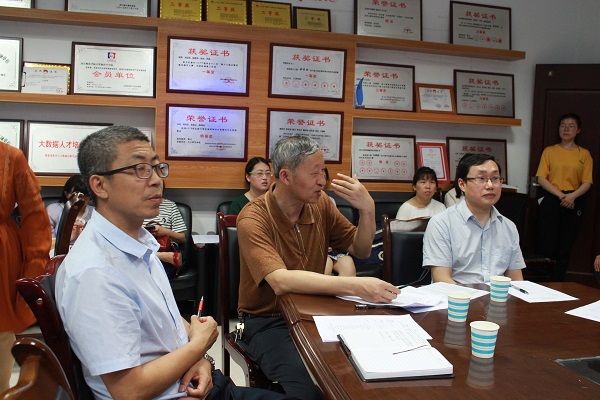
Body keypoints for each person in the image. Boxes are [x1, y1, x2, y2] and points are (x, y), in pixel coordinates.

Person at [55, 126, 285, 400]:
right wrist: (200, 344)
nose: (156, 180)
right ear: (100, 185)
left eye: (157, 168)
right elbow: (128, 390)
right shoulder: (95, 272)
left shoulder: (139, 244)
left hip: (194, 382)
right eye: (140, 169)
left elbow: (168, 323)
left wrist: (201, 360)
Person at [237, 135, 399, 399]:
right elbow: (280, 281)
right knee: (312, 390)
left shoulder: (320, 204)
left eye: (323, 171)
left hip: (317, 312)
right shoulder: (253, 217)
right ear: (285, 176)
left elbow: (360, 249)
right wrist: (355, 285)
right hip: (268, 320)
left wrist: (368, 210)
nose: (323, 181)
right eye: (314, 174)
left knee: (365, 371)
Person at [423, 153, 526, 284]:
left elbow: (517, 281)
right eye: (481, 178)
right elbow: (442, 279)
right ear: (462, 184)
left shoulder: (509, 227)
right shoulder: (441, 223)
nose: (490, 185)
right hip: (456, 296)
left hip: (497, 296)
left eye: (495, 178)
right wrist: (475, 297)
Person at [0, 142, 52, 393]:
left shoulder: (10, 157)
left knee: (1, 336)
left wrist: (32, 271)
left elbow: (35, 217)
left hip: (2, 260)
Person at [535, 113, 593, 281]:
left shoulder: (584, 154)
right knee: (546, 243)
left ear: (578, 130)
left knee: (566, 245)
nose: (566, 129)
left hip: (575, 200)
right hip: (553, 198)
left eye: (571, 126)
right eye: (563, 126)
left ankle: (559, 282)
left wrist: (571, 197)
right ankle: (543, 282)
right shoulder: (550, 151)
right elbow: (541, 178)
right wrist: (562, 196)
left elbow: (587, 182)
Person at [143, 184, 187, 278]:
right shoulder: (137, 206)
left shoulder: (170, 206)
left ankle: (156, 256)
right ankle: (159, 255)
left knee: (156, 270)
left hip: (166, 249)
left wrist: (165, 232)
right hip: (144, 246)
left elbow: (182, 238)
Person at [323, 168, 356, 277]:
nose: (320, 181)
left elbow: (334, 229)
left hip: (333, 248)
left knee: (348, 263)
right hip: (316, 250)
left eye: (323, 177)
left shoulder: (330, 201)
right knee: (326, 265)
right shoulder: (302, 201)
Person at [46, 174, 94, 245]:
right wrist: (69, 238)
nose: (83, 199)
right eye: (79, 196)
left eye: (86, 196)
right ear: (67, 194)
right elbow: (45, 245)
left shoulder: (95, 213)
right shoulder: (53, 211)